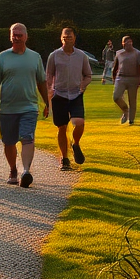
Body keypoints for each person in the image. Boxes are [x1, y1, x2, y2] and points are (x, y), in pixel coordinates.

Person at [0, 23, 49, 188]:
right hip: (8, 108)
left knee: (27, 137)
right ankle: (13, 170)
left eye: (20, 34)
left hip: (29, 106)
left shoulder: (35, 57)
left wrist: (46, 102)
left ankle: (26, 171)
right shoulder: (1, 58)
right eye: (13, 34)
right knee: (9, 142)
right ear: (10, 36)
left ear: (26, 36)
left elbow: (42, 81)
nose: (16, 37)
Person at [47, 27, 93, 172]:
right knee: (62, 127)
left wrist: (82, 86)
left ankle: (76, 144)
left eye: (70, 36)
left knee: (79, 123)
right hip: (59, 95)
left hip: (76, 95)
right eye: (65, 36)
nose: (67, 38)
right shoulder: (54, 56)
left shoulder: (81, 56)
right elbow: (49, 76)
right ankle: (64, 159)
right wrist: (48, 94)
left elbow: (88, 75)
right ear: (61, 38)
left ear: (74, 38)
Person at [112, 35, 140, 125]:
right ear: (122, 43)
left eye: (130, 42)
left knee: (132, 100)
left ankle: (131, 120)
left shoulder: (138, 53)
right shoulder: (119, 53)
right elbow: (115, 67)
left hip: (133, 78)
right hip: (121, 77)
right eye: (126, 42)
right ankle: (125, 110)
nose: (129, 44)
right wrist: (113, 77)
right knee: (116, 97)